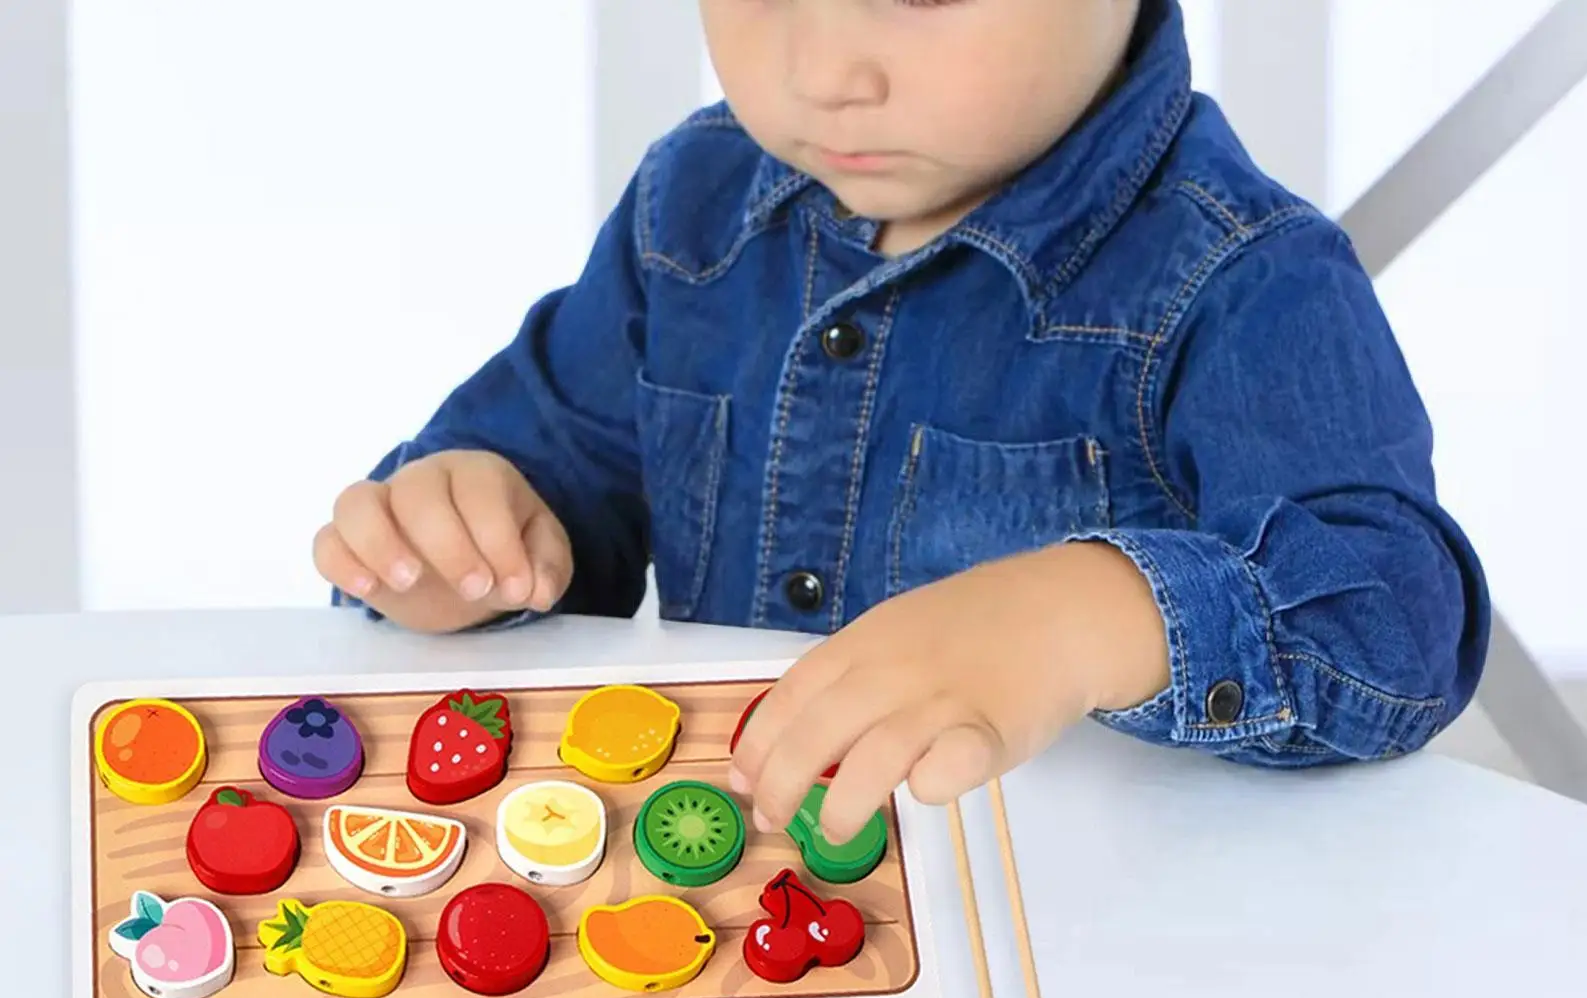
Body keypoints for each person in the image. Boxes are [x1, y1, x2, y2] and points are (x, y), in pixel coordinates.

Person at [314, 0, 1489, 847]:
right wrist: (462, 534)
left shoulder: (1241, 274)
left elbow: (1399, 626)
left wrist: (1080, 618)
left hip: (1100, 964)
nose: (824, 69)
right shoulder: (695, 202)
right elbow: (554, 472)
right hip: (742, 890)